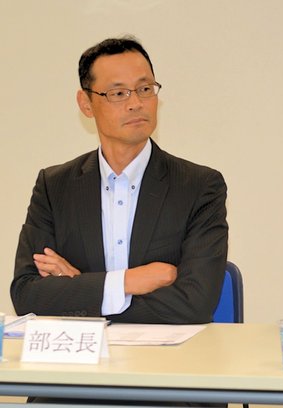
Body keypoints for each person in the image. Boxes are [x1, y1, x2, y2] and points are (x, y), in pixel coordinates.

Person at [11, 36, 228, 325]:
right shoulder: (54, 187)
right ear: (86, 104)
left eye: (145, 89)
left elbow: (195, 303)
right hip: (83, 353)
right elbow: (27, 294)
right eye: (118, 93)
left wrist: (81, 288)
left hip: (170, 352)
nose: (136, 103)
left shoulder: (199, 186)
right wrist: (126, 282)